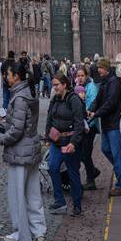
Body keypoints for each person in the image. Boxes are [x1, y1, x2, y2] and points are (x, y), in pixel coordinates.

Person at [0, 57, 46, 241]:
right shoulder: (30, 92)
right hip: (31, 149)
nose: (5, 77)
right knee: (33, 193)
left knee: (17, 195)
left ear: (16, 76)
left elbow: (16, 130)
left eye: (8, 74)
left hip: (20, 151)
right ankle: (39, 231)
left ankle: (22, 236)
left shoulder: (19, 97)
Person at [44, 72, 84, 216]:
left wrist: (74, 143)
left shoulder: (73, 100)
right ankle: (59, 201)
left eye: (56, 85)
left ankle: (77, 205)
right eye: (53, 85)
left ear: (64, 84)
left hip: (70, 142)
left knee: (72, 173)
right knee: (53, 167)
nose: (54, 88)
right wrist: (48, 138)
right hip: (56, 142)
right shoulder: (54, 99)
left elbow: (79, 123)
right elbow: (49, 119)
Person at [88, 57, 121, 195]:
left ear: (106, 68)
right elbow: (98, 99)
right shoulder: (105, 82)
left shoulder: (114, 82)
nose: (98, 70)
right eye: (98, 67)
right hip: (106, 123)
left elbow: (111, 103)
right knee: (105, 149)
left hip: (114, 123)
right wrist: (91, 109)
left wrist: (96, 114)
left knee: (116, 153)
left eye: (100, 67)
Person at [75, 66, 101, 190]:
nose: (80, 78)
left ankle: (91, 180)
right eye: (78, 76)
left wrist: (86, 118)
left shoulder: (91, 88)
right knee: (81, 153)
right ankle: (93, 171)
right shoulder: (79, 87)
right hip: (82, 125)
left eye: (82, 76)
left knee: (85, 153)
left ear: (86, 76)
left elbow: (92, 105)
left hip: (90, 126)